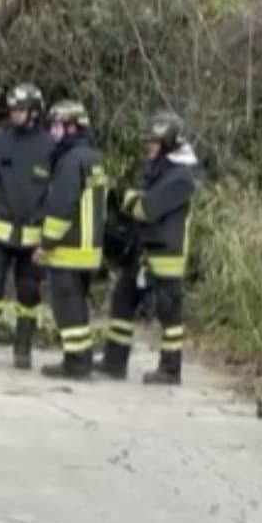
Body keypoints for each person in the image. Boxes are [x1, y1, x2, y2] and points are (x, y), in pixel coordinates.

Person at [100, 111, 200, 384]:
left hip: (166, 255)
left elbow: (146, 209)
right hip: (144, 251)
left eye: (154, 142)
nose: (149, 147)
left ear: (168, 144)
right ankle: (114, 362)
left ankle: (170, 369)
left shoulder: (181, 177)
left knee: (169, 314)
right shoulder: (158, 170)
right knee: (123, 299)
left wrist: (131, 200)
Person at [0, 84, 54, 369]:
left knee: (28, 293)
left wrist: (50, 234)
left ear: (35, 113)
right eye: (13, 109)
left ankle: (23, 348)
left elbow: (57, 191)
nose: (15, 113)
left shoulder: (50, 146)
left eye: (21, 109)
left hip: (33, 235)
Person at [38, 100, 108, 381]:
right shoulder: (94, 158)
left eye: (57, 126)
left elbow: (62, 206)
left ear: (72, 128)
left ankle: (76, 363)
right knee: (77, 306)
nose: (52, 132)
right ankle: (80, 358)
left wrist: (46, 243)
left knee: (68, 308)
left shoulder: (70, 161)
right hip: (89, 248)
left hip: (69, 247)